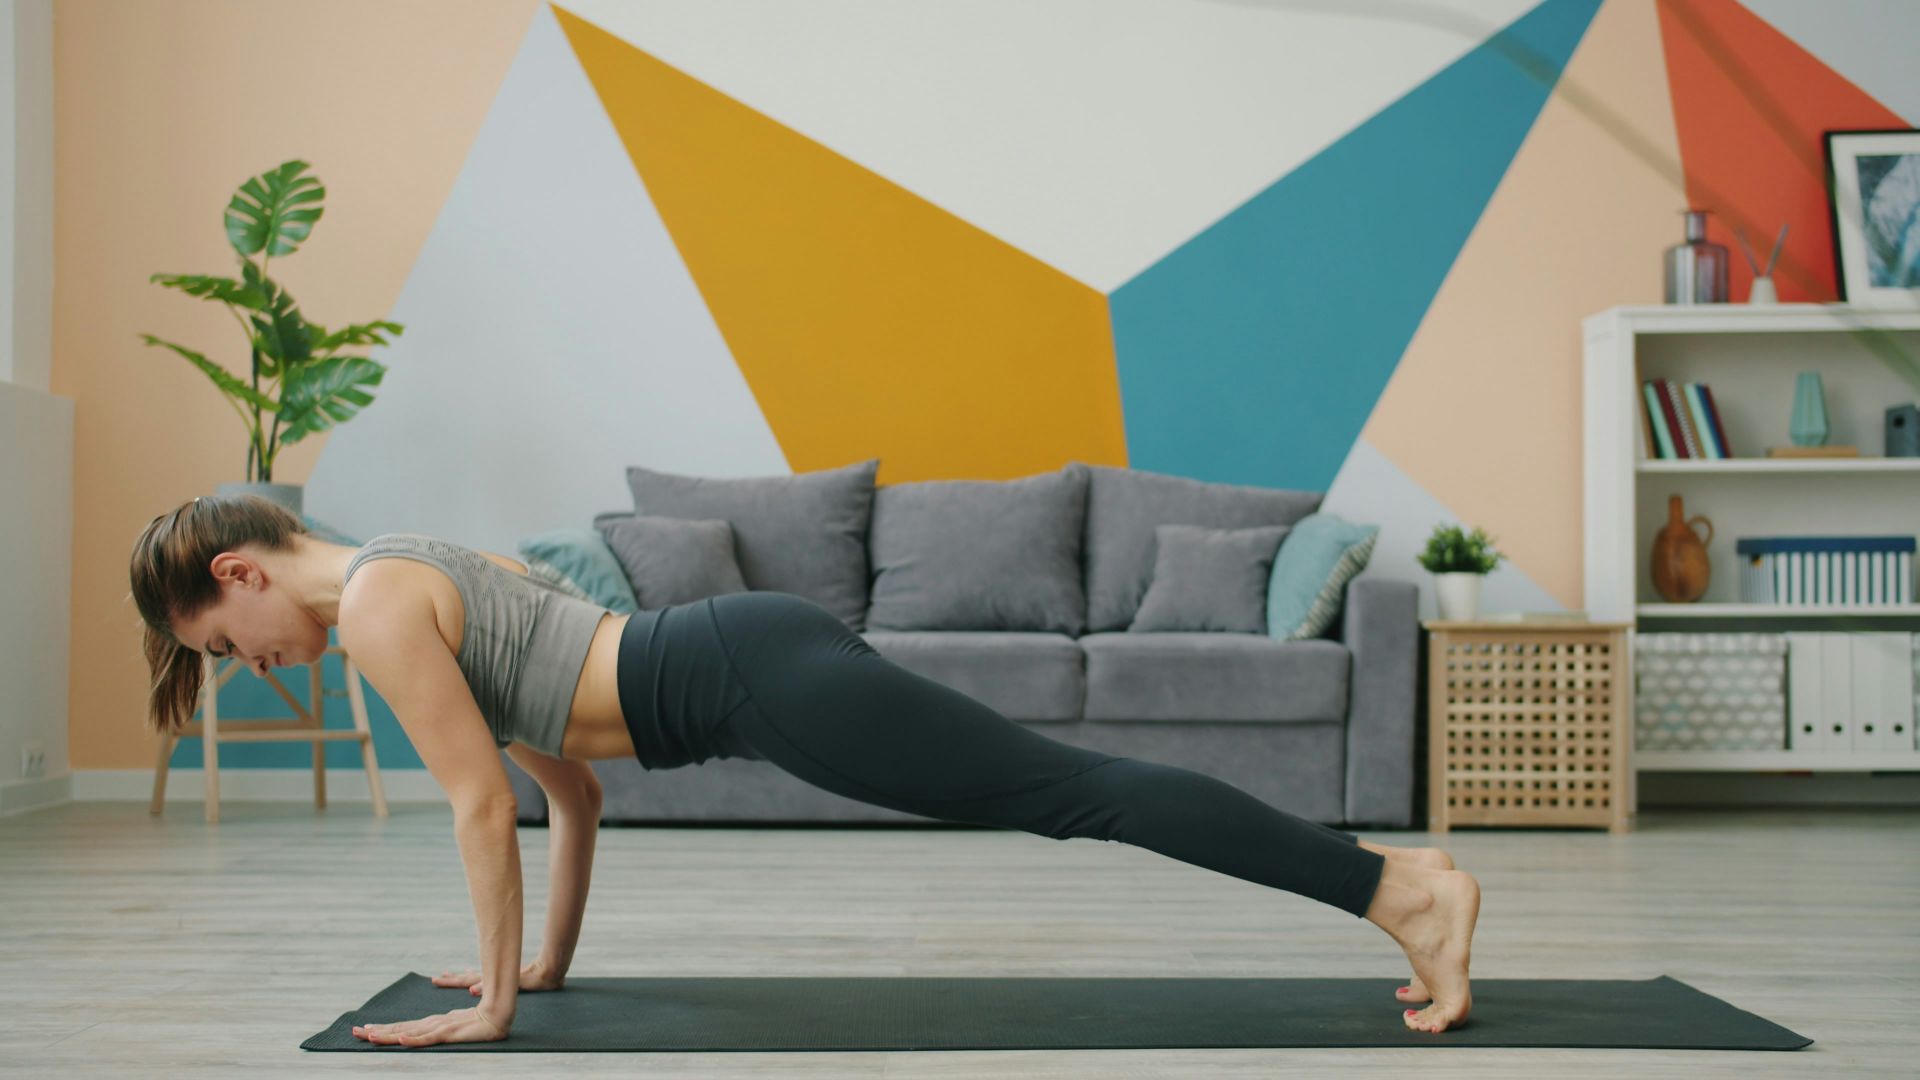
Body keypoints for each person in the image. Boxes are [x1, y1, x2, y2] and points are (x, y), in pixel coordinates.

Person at [129, 494, 1479, 1046]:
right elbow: (569, 793)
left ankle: (1396, 888)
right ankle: (1395, 884)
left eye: (227, 641)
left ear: (239, 573)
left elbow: (484, 805)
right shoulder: (409, 564)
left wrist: (488, 1018)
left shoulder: (374, 610)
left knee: (1080, 794)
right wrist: (536, 970)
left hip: (757, 682)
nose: (257, 660)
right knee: (1076, 792)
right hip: (751, 660)